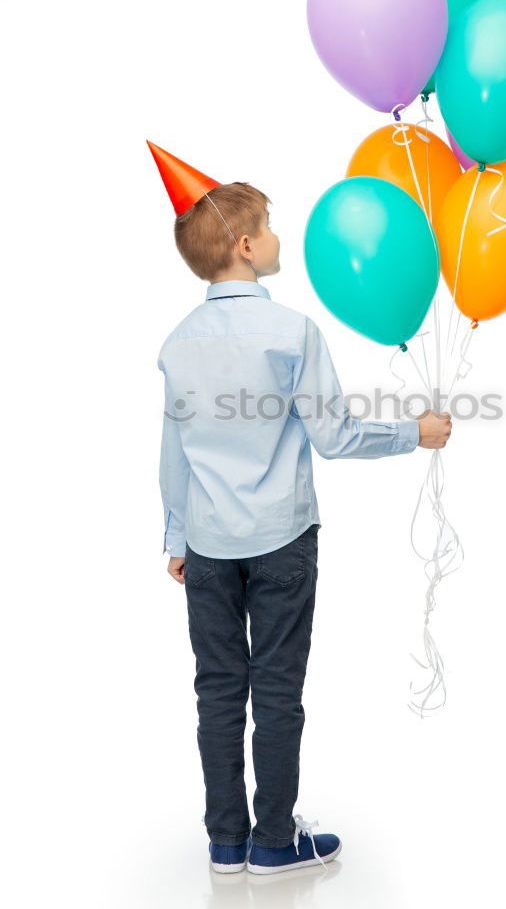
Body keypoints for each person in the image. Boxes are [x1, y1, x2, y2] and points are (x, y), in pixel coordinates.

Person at [150, 142, 453, 875]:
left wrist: (177, 534)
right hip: (282, 541)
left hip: (211, 546)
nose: (280, 239)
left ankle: (227, 842)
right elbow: (335, 434)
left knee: (219, 690)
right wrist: (413, 431)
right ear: (246, 246)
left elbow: (175, 450)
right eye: (271, 228)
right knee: (277, 691)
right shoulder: (292, 333)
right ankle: (276, 842)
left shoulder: (177, 344)